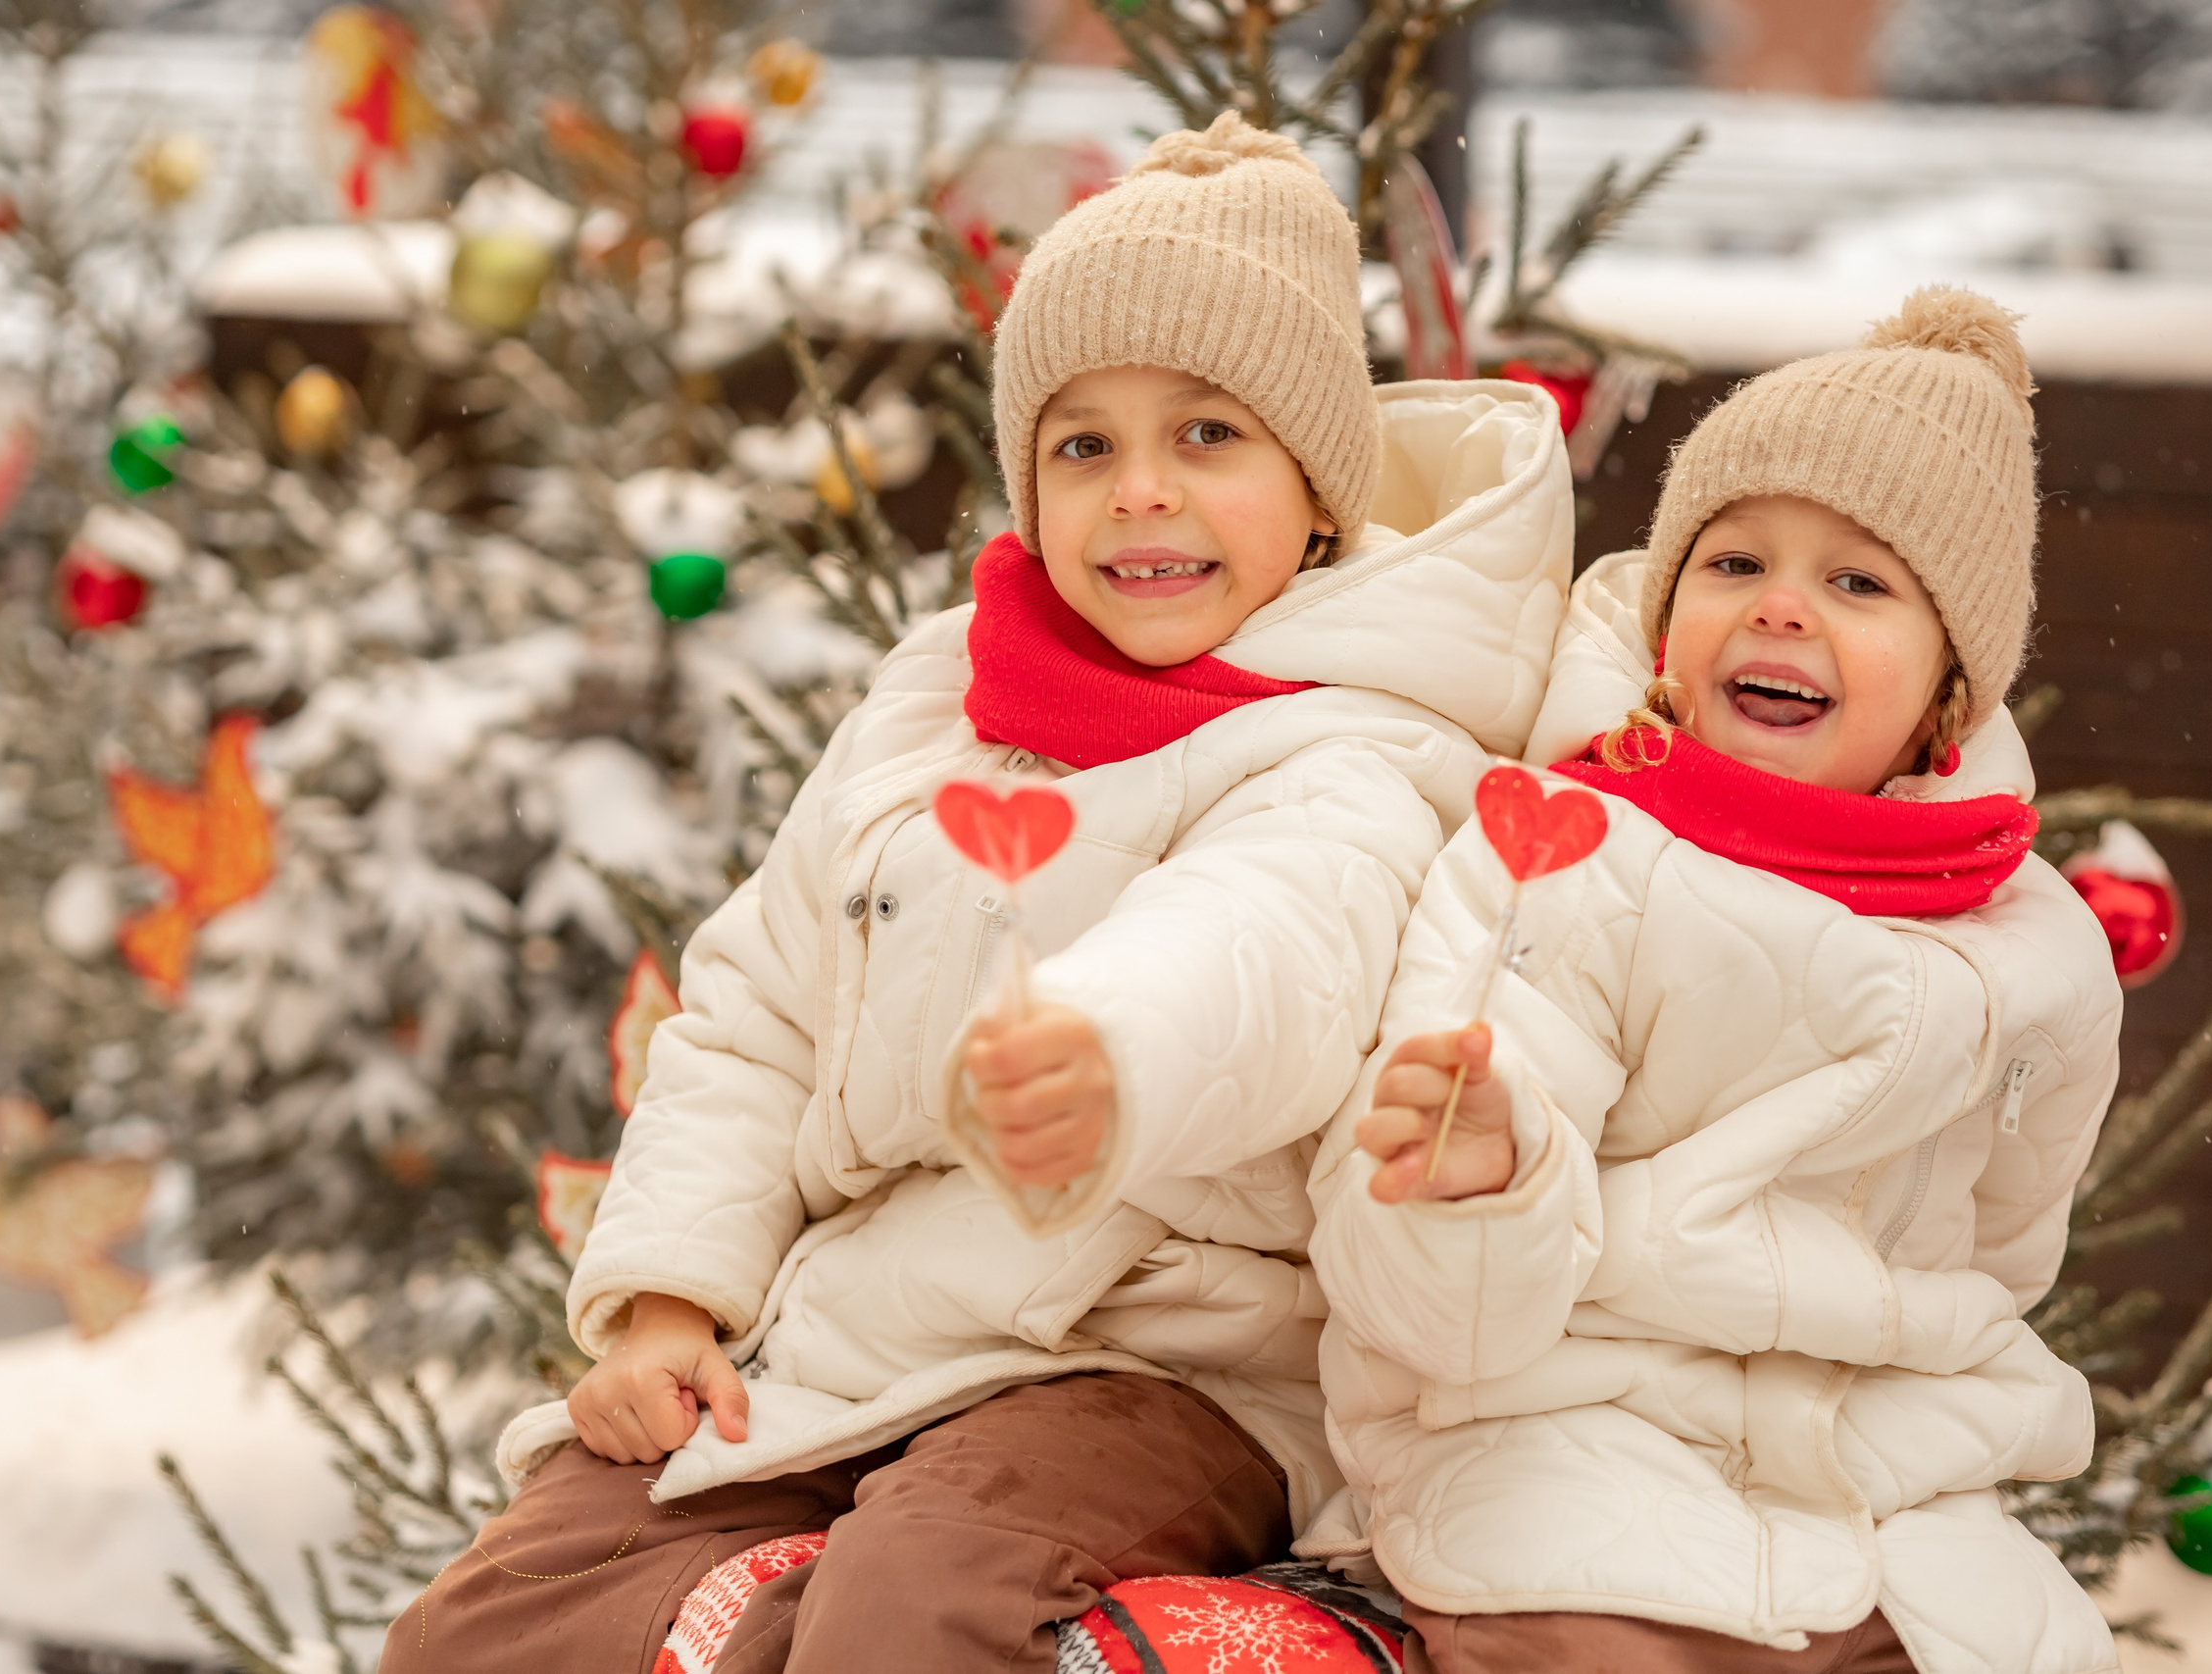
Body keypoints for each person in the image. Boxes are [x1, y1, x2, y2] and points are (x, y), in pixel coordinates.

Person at [382, 112, 1579, 1674]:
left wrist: (1102, 1050)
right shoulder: (934, 705)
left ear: (1318, 485)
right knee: (501, 1620)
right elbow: (755, 1016)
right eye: (1084, 446)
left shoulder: (1358, 744)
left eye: (1209, 436)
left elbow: (1270, 944)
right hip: (864, 1328)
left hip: (1168, 1366)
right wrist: (668, 1304)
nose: (1140, 493)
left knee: (917, 1612)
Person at [1306, 288, 2125, 1674]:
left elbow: (2004, 1245)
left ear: (1948, 696)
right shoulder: (1568, 856)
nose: (1783, 609)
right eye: (1735, 563)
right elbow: (1433, 1313)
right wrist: (1478, 1176)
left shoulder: (2034, 950)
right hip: (1565, 1436)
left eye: (1860, 583)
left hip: (1888, 1485)